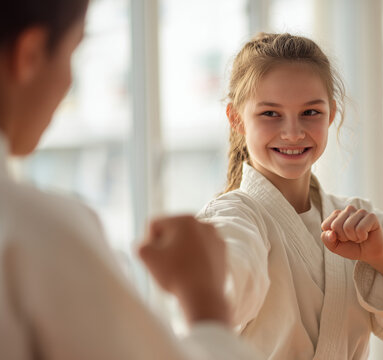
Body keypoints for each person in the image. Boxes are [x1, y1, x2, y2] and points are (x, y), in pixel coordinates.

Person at [0, 1, 262, 359]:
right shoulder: (37, 231)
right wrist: (204, 299)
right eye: (72, 53)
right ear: (29, 54)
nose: (69, 81)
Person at [185, 32, 383, 359]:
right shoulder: (232, 218)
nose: (292, 132)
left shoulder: (358, 216)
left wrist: (381, 254)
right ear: (236, 119)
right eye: (270, 114)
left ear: (331, 113)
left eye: (310, 112)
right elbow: (223, 293)